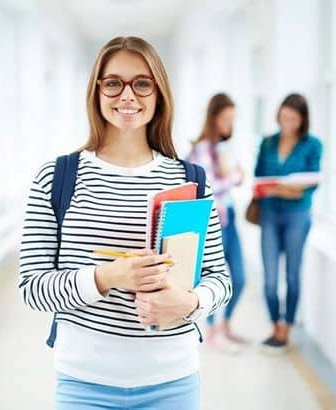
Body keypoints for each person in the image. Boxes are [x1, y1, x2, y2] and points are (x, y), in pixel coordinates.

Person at [19, 36, 231, 410]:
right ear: (97, 91)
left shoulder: (192, 180)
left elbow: (220, 279)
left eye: (142, 83)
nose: (128, 96)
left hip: (173, 381)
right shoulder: (56, 177)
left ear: (159, 92)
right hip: (84, 383)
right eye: (114, 82)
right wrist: (109, 277)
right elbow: (32, 288)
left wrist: (189, 301)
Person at [254, 93, 322, 351]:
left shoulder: (312, 144)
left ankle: (287, 328)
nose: (287, 123)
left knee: (292, 276)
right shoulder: (268, 142)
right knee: (270, 279)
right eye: (284, 117)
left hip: (298, 216)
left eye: (293, 119)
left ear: (302, 119)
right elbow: (259, 178)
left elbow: (310, 186)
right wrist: (284, 189)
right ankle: (275, 326)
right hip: (269, 214)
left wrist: (281, 189)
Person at [187, 93, 247, 349]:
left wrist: (236, 174)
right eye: (225, 118)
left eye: (232, 119)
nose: (228, 124)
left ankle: (225, 325)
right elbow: (207, 189)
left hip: (230, 216)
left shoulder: (225, 146)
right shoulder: (200, 150)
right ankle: (211, 330)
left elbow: (234, 174)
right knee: (211, 276)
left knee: (241, 278)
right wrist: (234, 177)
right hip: (213, 220)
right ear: (213, 118)